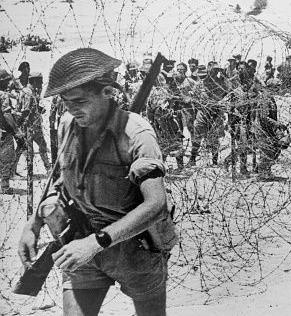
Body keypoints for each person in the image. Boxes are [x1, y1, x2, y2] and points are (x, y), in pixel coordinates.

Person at [17, 48, 176, 316]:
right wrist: (33, 225)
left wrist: (96, 243)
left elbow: (156, 204)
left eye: (79, 101)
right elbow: (62, 179)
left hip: (136, 249)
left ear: (107, 92)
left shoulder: (137, 133)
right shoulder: (68, 124)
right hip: (79, 240)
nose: (70, 109)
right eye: (65, 102)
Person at [13, 72, 51, 173]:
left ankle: (11, 170)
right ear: (34, 81)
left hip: (31, 125)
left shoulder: (30, 91)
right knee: (30, 150)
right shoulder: (28, 93)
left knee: (25, 148)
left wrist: (39, 110)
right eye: (40, 81)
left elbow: (28, 108)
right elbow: (25, 111)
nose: (42, 83)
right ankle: (46, 169)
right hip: (30, 126)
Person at [0, 69, 23, 194]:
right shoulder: (3, 95)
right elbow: (7, 115)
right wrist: (16, 131)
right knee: (6, 159)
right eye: (7, 81)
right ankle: (5, 187)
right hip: (4, 133)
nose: (9, 83)